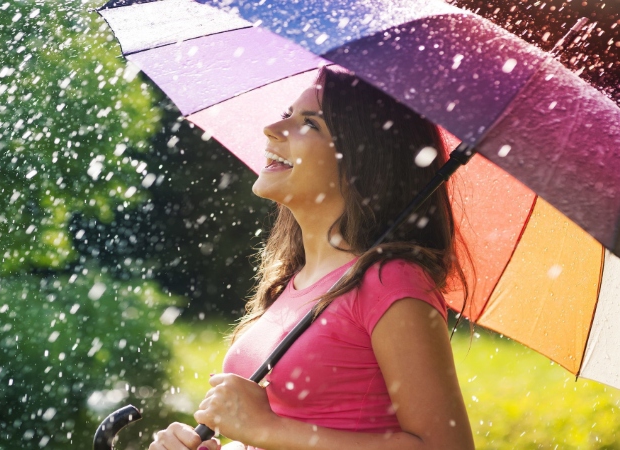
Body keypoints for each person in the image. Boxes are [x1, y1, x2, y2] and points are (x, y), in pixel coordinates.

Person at [149, 67, 475, 450]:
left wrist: (267, 429)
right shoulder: (295, 279)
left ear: (362, 160)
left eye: (310, 124)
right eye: (288, 113)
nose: (273, 128)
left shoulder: (392, 282)